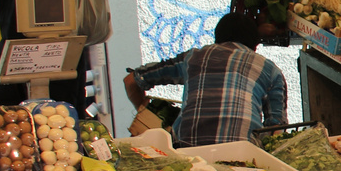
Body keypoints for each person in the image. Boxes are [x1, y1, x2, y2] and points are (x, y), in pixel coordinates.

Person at [123, 14, 287, 147]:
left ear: (216, 38)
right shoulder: (271, 71)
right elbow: (277, 131)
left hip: (188, 153)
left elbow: (131, 80)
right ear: (255, 45)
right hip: (243, 156)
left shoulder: (193, 57)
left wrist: (145, 112)